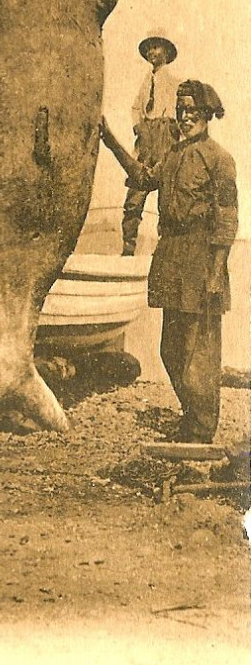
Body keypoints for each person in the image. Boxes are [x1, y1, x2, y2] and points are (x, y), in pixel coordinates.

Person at [101, 80, 238, 443]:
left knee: (200, 350)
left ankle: (200, 429)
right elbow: (142, 178)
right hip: (172, 253)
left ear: (208, 115)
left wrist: (215, 271)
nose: (185, 117)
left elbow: (227, 218)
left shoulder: (220, 159)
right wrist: (111, 140)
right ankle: (190, 416)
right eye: (181, 111)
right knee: (171, 349)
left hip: (202, 255)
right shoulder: (173, 156)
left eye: (192, 112)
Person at [121, 33, 180, 255]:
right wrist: (138, 126)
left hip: (166, 135)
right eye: (149, 49)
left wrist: (172, 134)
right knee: (134, 195)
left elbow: (178, 111)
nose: (152, 53)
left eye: (157, 48)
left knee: (167, 194)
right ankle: (128, 247)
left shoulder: (174, 82)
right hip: (147, 139)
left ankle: (165, 250)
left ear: (166, 53)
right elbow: (136, 108)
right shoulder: (146, 83)